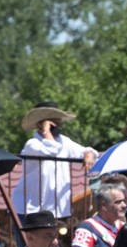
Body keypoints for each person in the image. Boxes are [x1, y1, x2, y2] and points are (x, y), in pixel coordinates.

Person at [9, 102, 97, 238]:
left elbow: (87, 150)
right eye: (54, 122)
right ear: (41, 124)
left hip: (53, 209)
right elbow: (52, 150)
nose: (60, 125)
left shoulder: (64, 141)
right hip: (30, 208)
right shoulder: (32, 144)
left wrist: (89, 153)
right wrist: (46, 132)